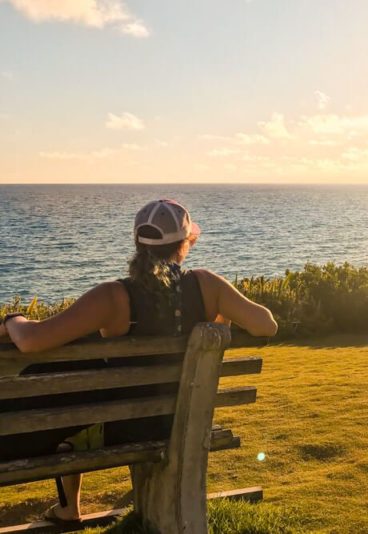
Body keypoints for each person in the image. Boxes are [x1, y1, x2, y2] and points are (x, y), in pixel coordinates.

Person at [0, 199, 278, 523]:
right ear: (184, 244)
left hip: (123, 428)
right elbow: (266, 325)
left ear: (136, 244)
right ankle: (70, 506)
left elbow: (33, 340)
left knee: (66, 397)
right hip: (181, 421)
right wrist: (218, 317)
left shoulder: (115, 297)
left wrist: (13, 321)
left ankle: (68, 508)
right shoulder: (207, 286)